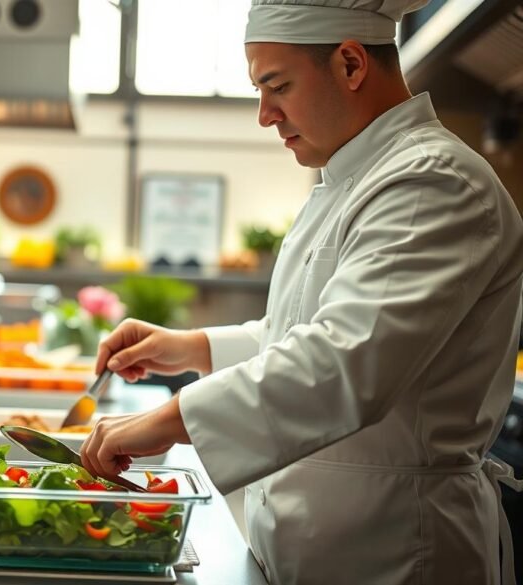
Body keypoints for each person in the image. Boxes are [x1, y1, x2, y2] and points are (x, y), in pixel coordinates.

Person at [80, 1, 523, 583]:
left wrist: (168, 418)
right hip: (323, 542)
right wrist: (192, 348)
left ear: (349, 63)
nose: (265, 115)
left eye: (277, 85)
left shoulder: (431, 182)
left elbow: (347, 360)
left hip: (395, 550)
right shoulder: (354, 177)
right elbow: (302, 331)